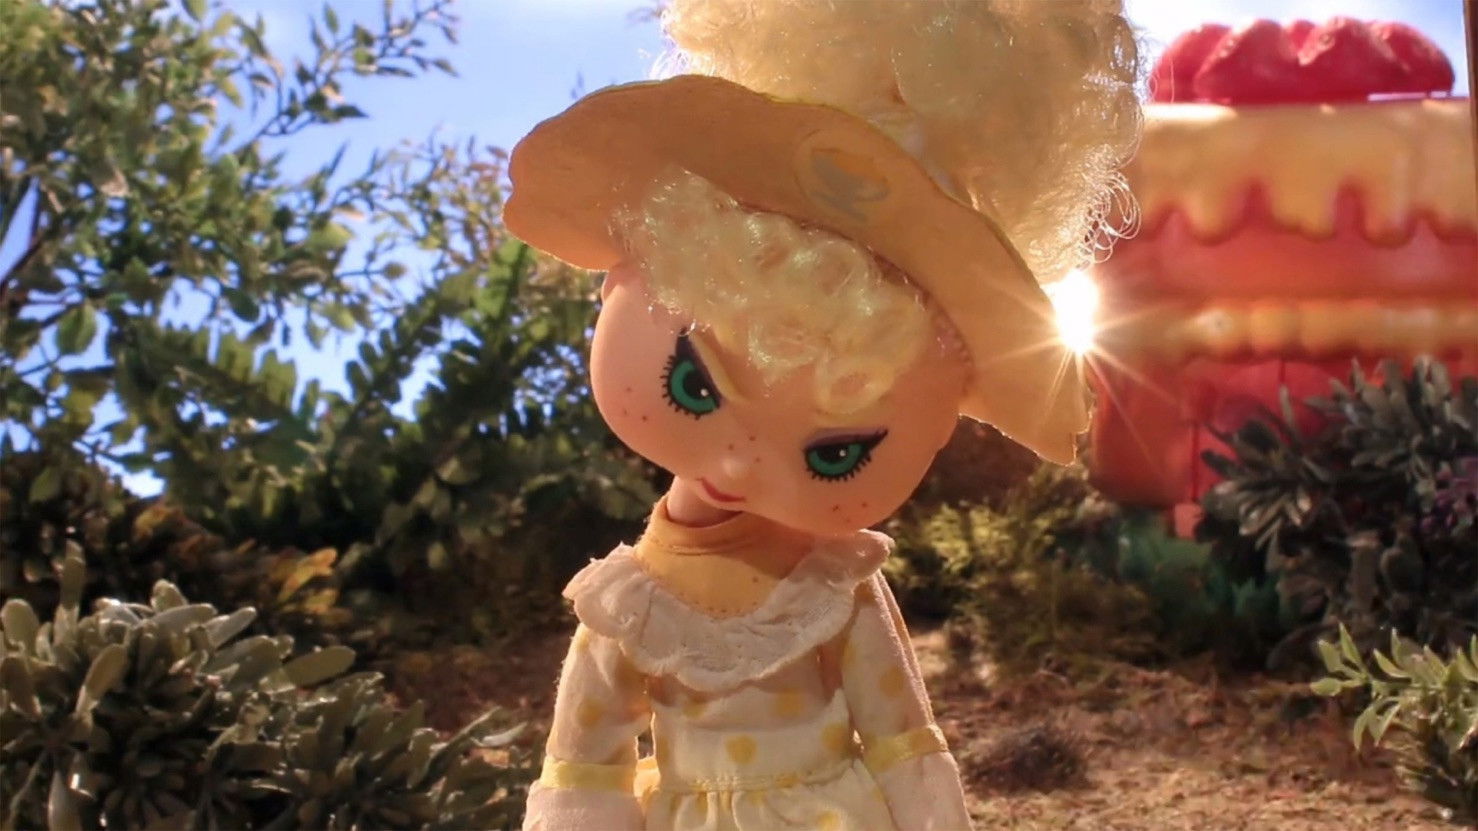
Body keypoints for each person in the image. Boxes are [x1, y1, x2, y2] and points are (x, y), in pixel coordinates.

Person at [507, 2, 1141, 828]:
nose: (736, 464)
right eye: (693, 385)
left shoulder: (833, 590)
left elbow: (901, 737)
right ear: (620, 278)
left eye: (835, 454)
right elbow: (586, 765)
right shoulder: (627, 605)